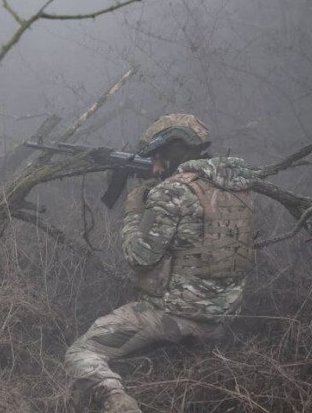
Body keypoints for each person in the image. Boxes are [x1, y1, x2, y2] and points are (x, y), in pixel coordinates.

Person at [65, 114, 257, 413]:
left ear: (173, 150)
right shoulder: (240, 187)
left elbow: (138, 258)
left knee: (82, 351)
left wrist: (133, 210)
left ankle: (118, 404)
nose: (154, 165)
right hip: (223, 315)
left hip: (176, 318)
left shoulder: (173, 191)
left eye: (158, 156)